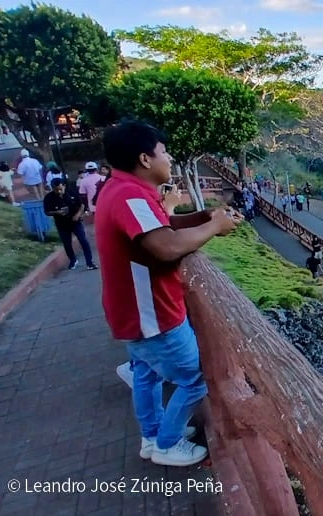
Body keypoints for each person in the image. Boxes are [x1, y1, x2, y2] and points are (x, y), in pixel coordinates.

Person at [96, 121, 241, 467]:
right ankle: (167, 444)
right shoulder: (129, 196)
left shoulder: (124, 190)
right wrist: (214, 226)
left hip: (134, 312)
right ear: (146, 159)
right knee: (195, 379)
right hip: (153, 315)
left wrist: (204, 218)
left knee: (146, 374)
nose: (170, 157)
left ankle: (153, 436)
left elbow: (162, 226)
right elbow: (164, 246)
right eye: (165, 151)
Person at [43, 178, 97, 271]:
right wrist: (57, 212)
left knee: (83, 241)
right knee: (67, 243)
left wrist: (78, 214)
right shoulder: (49, 198)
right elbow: (47, 212)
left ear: (64, 186)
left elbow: (81, 205)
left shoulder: (71, 193)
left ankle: (89, 262)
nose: (59, 191)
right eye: (56, 190)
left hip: (75, 222)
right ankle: (72, 259)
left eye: (60, 189)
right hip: (62, 223)